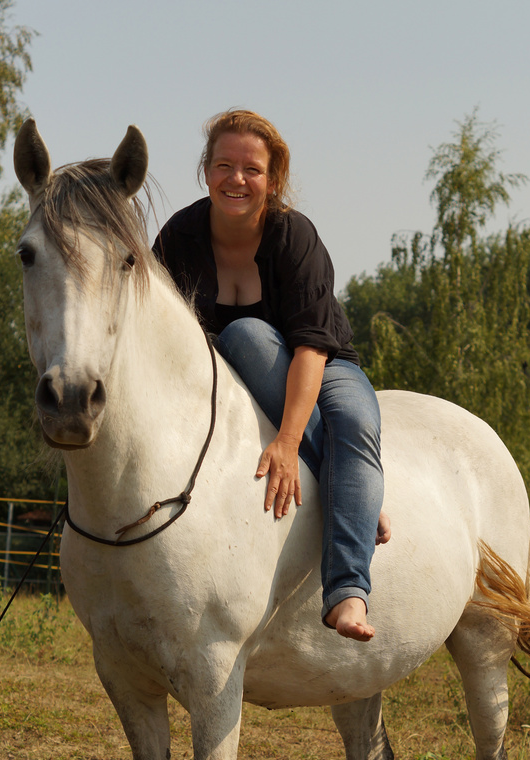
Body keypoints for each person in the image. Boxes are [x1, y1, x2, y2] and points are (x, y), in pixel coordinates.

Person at [153, 109, 389, 641]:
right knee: (244, 338)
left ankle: (348, 593)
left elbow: (310, 346)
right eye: (223, 165)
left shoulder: (293, 235)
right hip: (228, 380)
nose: (237, 179)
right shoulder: (177, 238)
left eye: (252, 169)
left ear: (274, 179)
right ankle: (353, 490)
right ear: (205, 171)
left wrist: (287, 442)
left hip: (323, 363)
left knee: (353, 419)